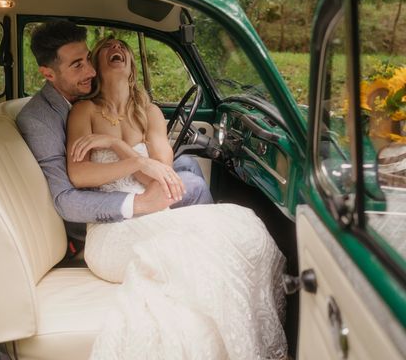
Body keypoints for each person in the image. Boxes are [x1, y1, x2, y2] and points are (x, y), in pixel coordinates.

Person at [67, 36, 287, 359]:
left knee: (245, 224)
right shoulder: (83, 112)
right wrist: (138, 162)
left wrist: (119, 149)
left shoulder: (150, 113)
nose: (118, 48)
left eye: (123, 47)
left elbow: (163, 177)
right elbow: (79, 174)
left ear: (130, 68)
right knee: (210, 239)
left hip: (154, 214)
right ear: (97, 65)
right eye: (108, 46)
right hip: (110, 230)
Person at [16, 21, 212, 243]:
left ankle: (194, 237)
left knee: (188, 163)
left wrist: (119, 147)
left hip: (133, 180)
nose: (90, 71)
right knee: (192, 184)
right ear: (48, 74)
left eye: (89, 59)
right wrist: (142, 201)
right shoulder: (41, 119)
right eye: (77, 65)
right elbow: (66, 199)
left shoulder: (136, 108)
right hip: (97, 210)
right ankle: (202, 240)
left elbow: (157, 164)